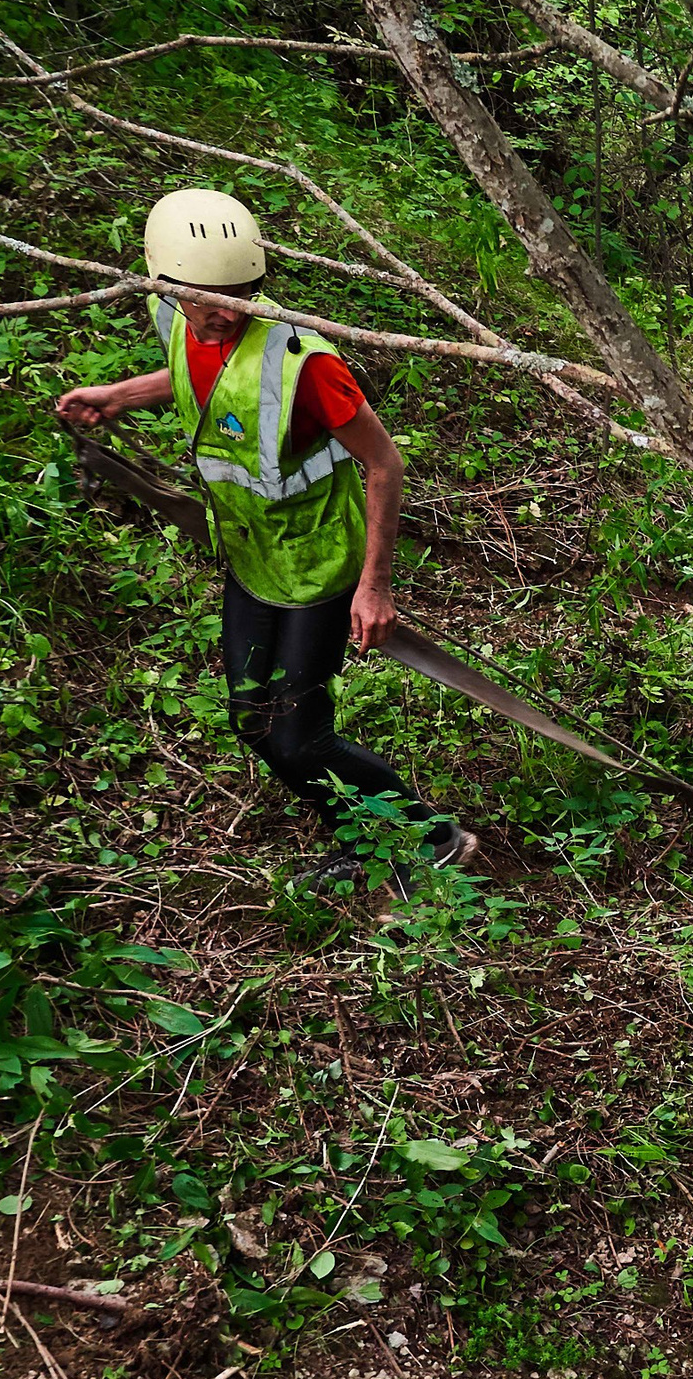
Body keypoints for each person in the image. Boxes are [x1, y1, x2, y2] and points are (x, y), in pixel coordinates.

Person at [54, 188, 473, 887]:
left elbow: (383, 463)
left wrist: (374, 587)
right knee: (253, 722)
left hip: (319, 567)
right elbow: (202, 375)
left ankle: (435, 837)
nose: (224, 312)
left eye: (240, 295)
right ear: (165, 284)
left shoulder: (305, 363)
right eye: (206, 297)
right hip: (252, 560)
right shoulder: (176, 318)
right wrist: (120, 395)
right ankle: (358, 842)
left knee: (297, 734)